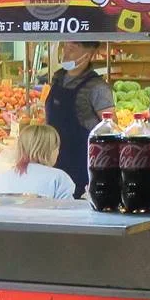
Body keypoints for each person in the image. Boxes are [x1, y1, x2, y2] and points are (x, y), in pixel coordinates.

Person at [45, 41, 115, 198]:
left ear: (87, 55)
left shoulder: (97, 87)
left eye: (72, 49)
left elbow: (111, 128)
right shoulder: (58, 78)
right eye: (65, 47)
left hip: (81, 165)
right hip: (53, 160)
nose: (65, 53)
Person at [0, 123, 77, 200]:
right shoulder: (59, 178)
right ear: (51, 150)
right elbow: (68, 211)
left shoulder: (0, 179)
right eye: (57, 148)